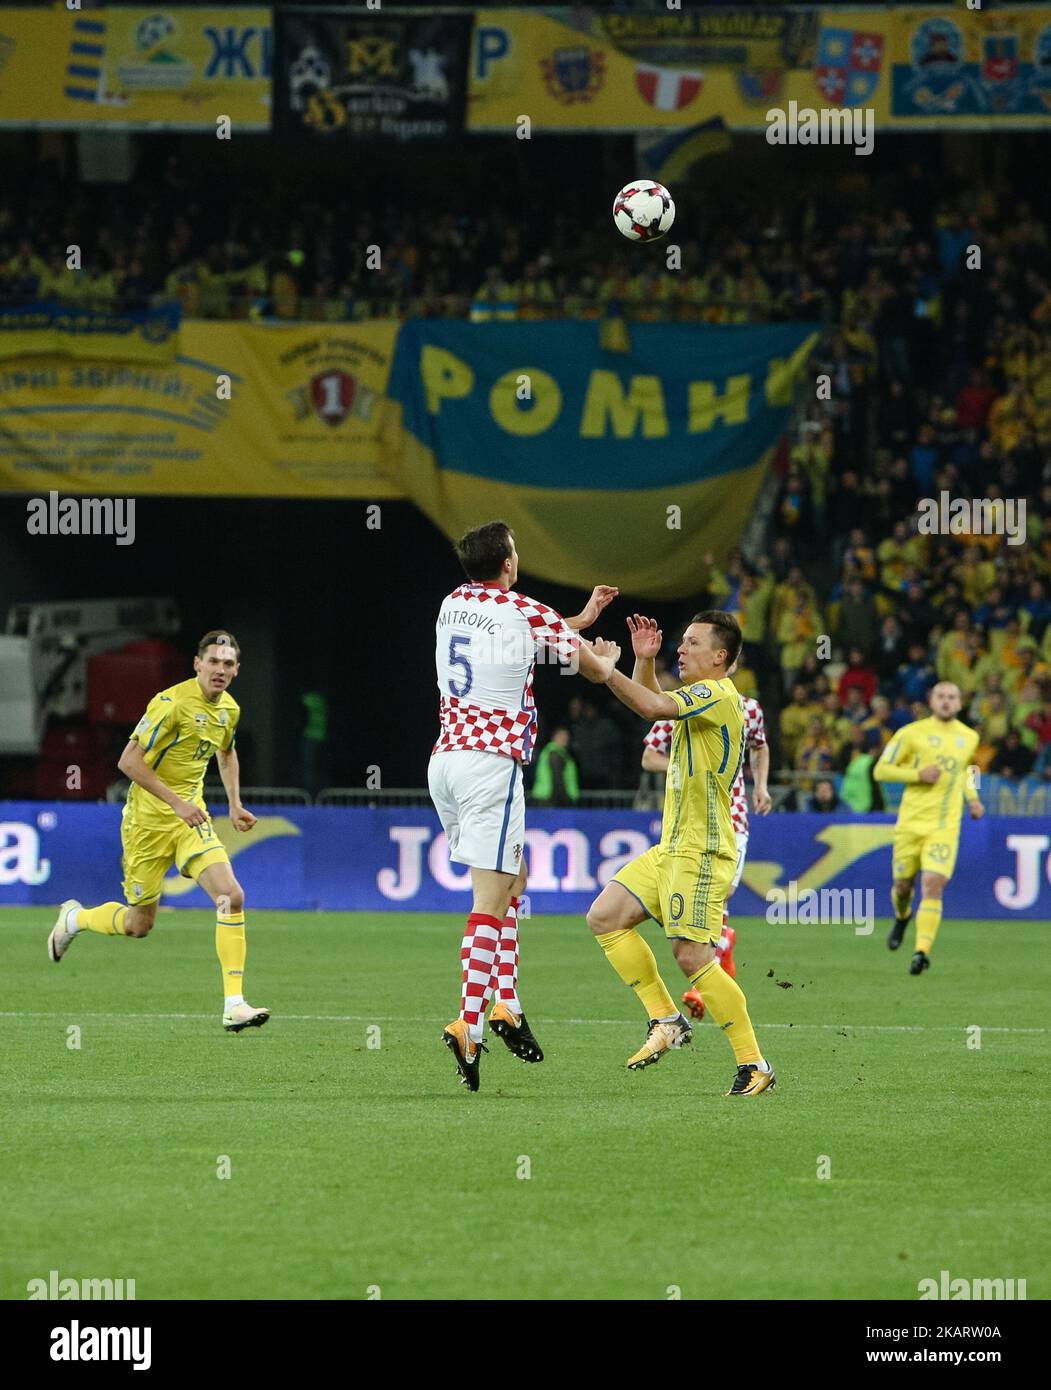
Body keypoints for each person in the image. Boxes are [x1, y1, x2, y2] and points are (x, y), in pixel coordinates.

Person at [429, 520, 617, 1092]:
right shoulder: (521, 611)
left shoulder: (453, 602)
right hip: (492, 766)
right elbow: (588, 668)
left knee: (515, 882)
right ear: (508, 563)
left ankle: (506, 1003)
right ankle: (469, 1023)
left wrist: (578, 622)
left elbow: (526, 631)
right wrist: (602, 656)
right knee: (490, 899)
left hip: (446, 762)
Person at [585, 611, 775, 1097]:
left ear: (720, 658)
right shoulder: (698, 698)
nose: (682, 649)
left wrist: (610, 672)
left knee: (692, 954)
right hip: (672, 846)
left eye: (692, 643)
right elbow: (653, 702)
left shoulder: (717, 695)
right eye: (681, 641)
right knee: (606, 916)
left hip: (703, 849)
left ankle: (754, 1064)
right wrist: (643, 661)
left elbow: (650, 708)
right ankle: (666, 1019)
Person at [47, 632, 268, 1033]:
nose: (220, 669)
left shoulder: (228, 710)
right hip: (147, 824)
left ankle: (234, 1003)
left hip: (191, 821)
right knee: (138, 924)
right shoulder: (171, 704)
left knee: (231, 896)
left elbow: (227, 751)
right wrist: (176, 802)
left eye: (228, 663)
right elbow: (128, 761)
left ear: (236, 671)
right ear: (197, 665)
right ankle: (74, 919)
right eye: (213, 661)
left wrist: (234, 803)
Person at [641, 655, 770, 1017]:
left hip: (733, 817)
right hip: (687, 822)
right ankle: (713, 972)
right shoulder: (681, 703)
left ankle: (706, 980)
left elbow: (760, 745)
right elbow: (650, 756)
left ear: (728, 663)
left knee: (722, 892)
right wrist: (679, 766)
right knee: (699, 909)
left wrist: (760, 785)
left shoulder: (749, 709)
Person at [873, 682, 983, 975]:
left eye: (952, 697)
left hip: (944, 825)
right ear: (931, 701)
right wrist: (918, 774)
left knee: (933, 885)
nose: (946, 701)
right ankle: (902, 915)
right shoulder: (911, 733)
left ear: (960, 704)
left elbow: (966, 772)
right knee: (902, 887)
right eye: (941, 696)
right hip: (910, 824)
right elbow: (881, 770)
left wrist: (973, 799)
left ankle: (921, 951)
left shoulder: (969, 737)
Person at [531, 727, 579, 806]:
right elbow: (557, 779)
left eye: (566, 737)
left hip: (544, 796)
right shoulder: (555, 755)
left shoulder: (551, 752)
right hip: (550, 799)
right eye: (562, 737)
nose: (565, 740)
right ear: (554, 738)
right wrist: (565, 800)